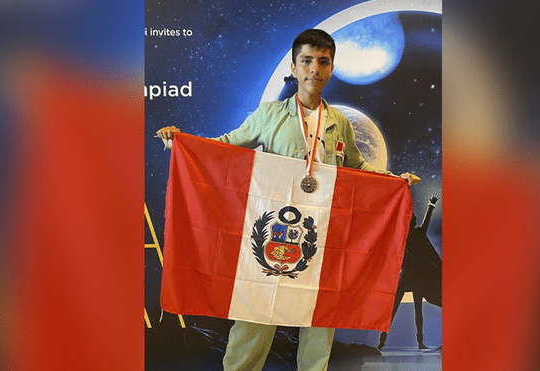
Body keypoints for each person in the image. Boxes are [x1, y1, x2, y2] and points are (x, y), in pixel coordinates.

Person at [156, 28, 420, 371]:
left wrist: (393, 181)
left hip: (322, 235)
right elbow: (226, 147)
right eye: (306, 61)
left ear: (331, 68)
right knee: (256, 312)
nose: (314, 69)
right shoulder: (270, 114)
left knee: (320, 317)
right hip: (274, 232)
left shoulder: (339, 121)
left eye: (323, 62)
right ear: (294, 68)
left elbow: (357, 165)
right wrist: (181, 143)